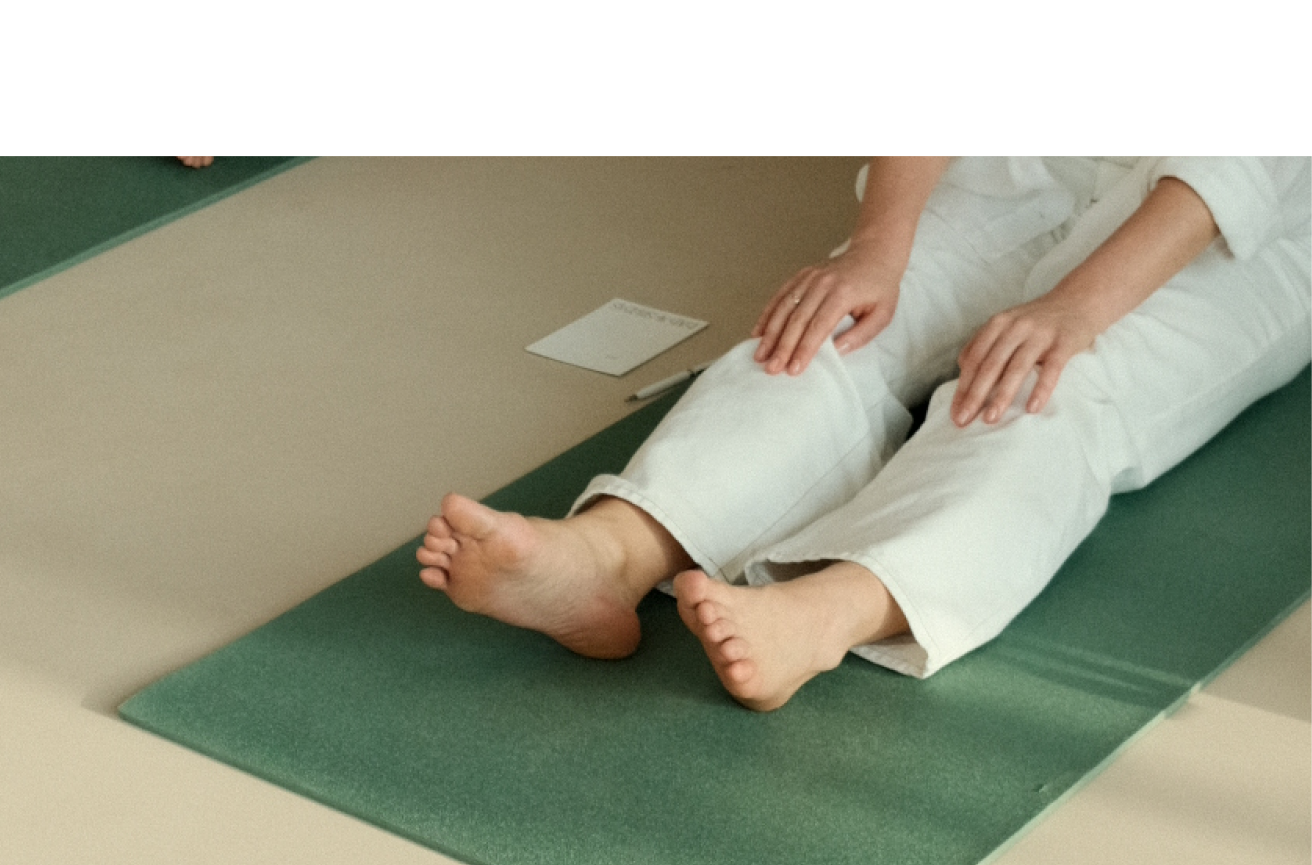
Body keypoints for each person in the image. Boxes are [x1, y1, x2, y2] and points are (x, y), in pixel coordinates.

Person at [419, 158, 1312, 710]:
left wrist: (1074, 308)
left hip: (1241, 225)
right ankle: (612, 551)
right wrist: (877, 250)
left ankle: (828, 611)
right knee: (834, 325)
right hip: (1040, 158)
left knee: (1055, 386)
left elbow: (1232, 162)